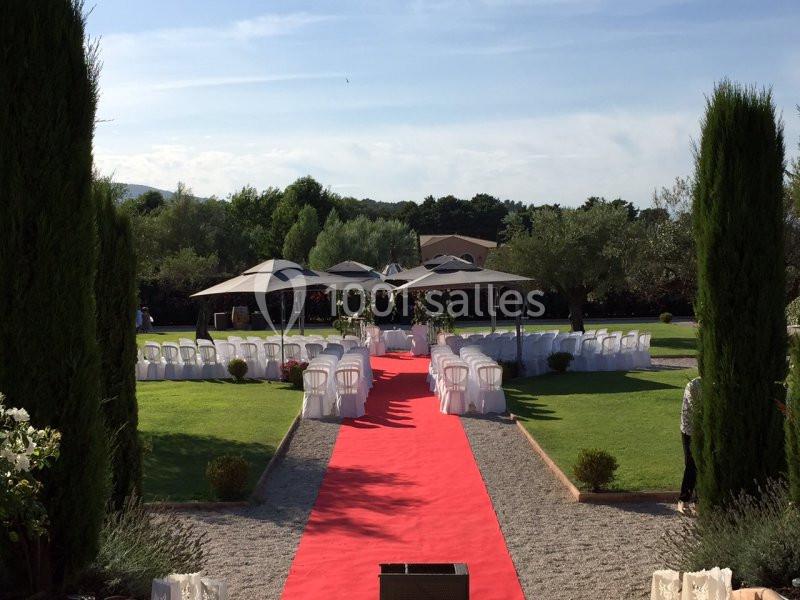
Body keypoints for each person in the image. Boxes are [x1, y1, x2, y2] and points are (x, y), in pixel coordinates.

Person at [679, 376, 701, 515]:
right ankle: (683, 500)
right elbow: (695, 408)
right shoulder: (692, 385)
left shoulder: (716, 383)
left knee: (705, 466)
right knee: (691, 465)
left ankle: (698, 501)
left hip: (707, 430)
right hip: (690, 431)